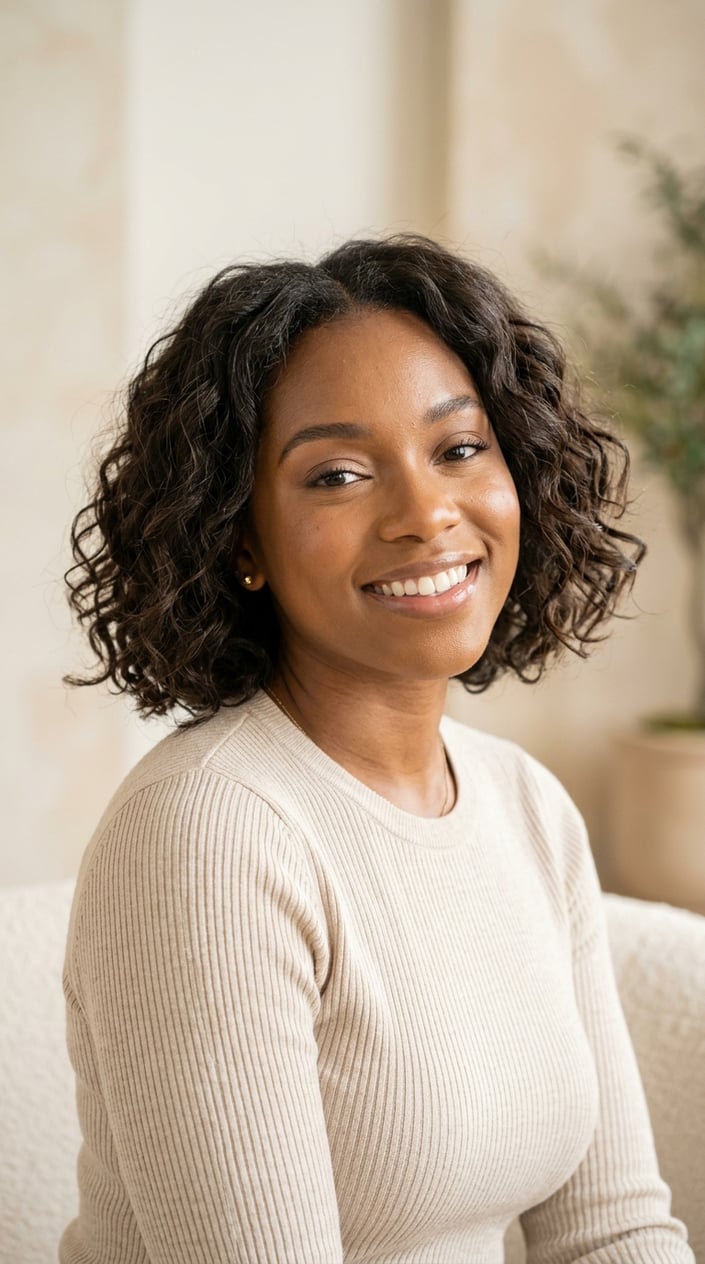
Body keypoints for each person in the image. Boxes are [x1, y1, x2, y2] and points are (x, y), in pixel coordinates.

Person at [60, 234, 694, 1263]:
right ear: (241, 538)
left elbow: (610, 1228)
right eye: (340, 474)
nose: (426, 514)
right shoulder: (207, 837)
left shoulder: (526, 804)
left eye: (457, 449)